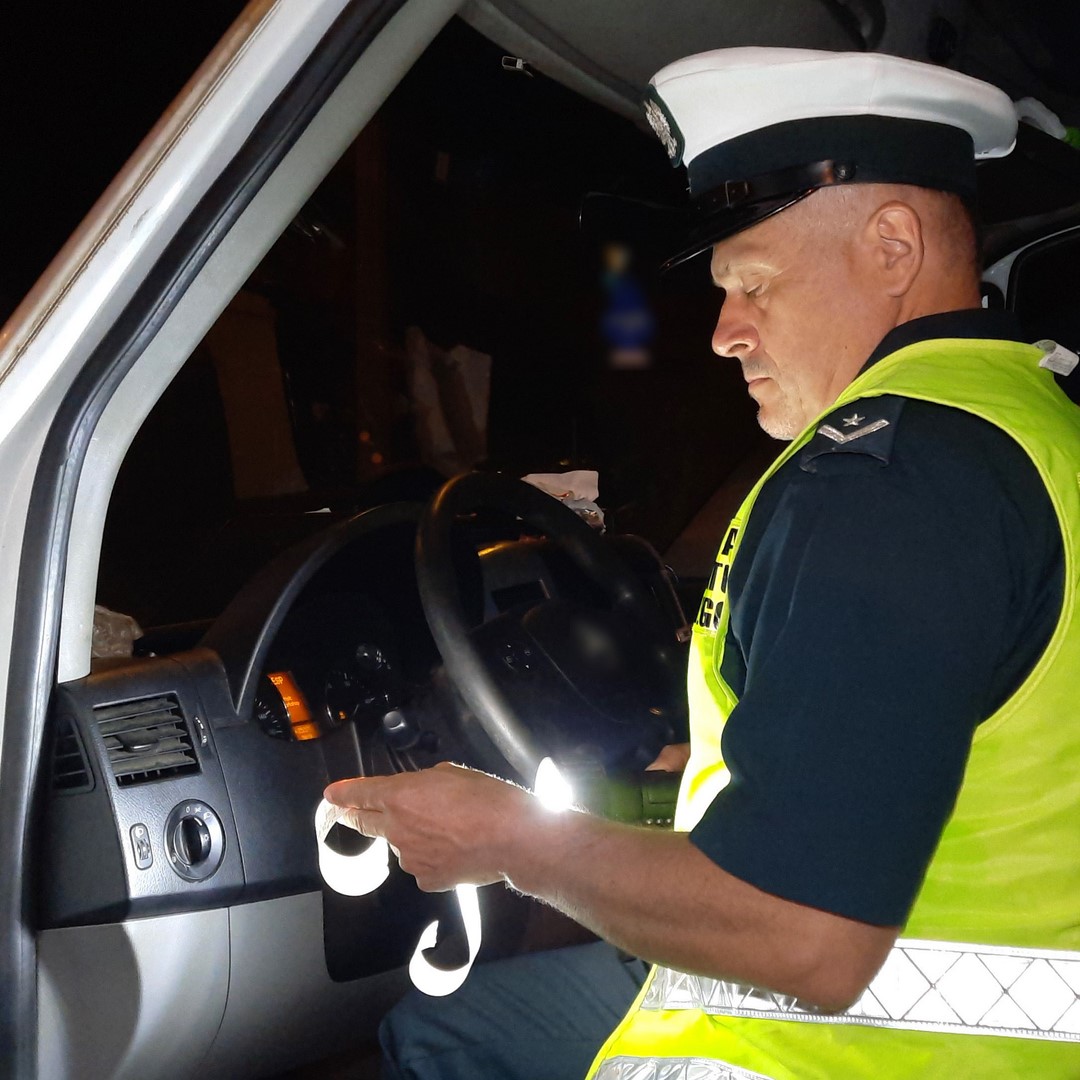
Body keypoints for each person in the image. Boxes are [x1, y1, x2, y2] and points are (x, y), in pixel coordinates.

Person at [326, 47, 1080, 1078]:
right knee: (448, 1031)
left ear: (892, 245)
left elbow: (805, 937)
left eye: (753, 284)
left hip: (828, 1050)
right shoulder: (1030, 427)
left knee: (436, 1038)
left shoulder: (876, 485)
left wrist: (510, 840)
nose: (725, 334)